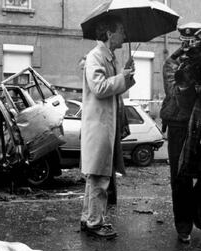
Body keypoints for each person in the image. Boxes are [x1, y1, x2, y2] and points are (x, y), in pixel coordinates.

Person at [80, 15, 135, 238]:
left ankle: (89, 218)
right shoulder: (96, 56)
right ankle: (94, 223)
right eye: (121, 30)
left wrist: (127, 76)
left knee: (97, 175)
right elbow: (100, 88)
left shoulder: (108, 57)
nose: (125, 35)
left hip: (104, 125)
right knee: (99, 177)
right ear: (110, 34)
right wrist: (122, 77)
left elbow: (113, 88)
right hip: (99, 126)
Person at [160, 22, 201, 244]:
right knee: (179, 177)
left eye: (192, 42)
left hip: (199, 123)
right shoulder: (171, 63)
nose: (187, 46)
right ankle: (183, 226)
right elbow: (176, 94)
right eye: (184, 42)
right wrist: (187, 82)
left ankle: (196, 211)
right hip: (178, 125)